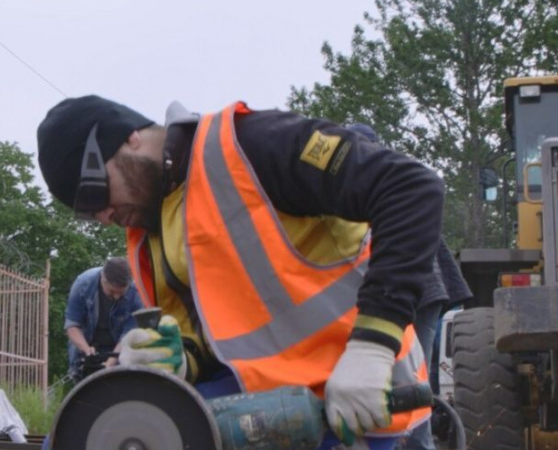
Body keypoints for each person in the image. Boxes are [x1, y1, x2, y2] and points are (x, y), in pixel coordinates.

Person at [38, 96, 444, 450]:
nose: (106, 215)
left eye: (95, 192)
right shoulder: (151, 230)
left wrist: (371, 348)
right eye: (90, 215)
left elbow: (410, 187)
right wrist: (178, 360)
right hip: (266, 404)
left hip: (354, 396)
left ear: (129, 137)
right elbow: (214, 336)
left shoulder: (248, 147)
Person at [347, 123, 472, 450]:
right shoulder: (395, 178)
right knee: (413, 372)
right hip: (420, 291)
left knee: (408, 375)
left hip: (408, 292)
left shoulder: (366, 187)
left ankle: (418, 443)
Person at [64, 257, 143, 381]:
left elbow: (128, 334)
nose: (116, 297)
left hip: (120, 349)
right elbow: (72, 325)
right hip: (86, 346)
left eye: (121, 293)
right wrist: (87, 350)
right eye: (112, 292)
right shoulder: (82, 285)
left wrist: (111, 362)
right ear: (103, 279)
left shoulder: (136, 293)